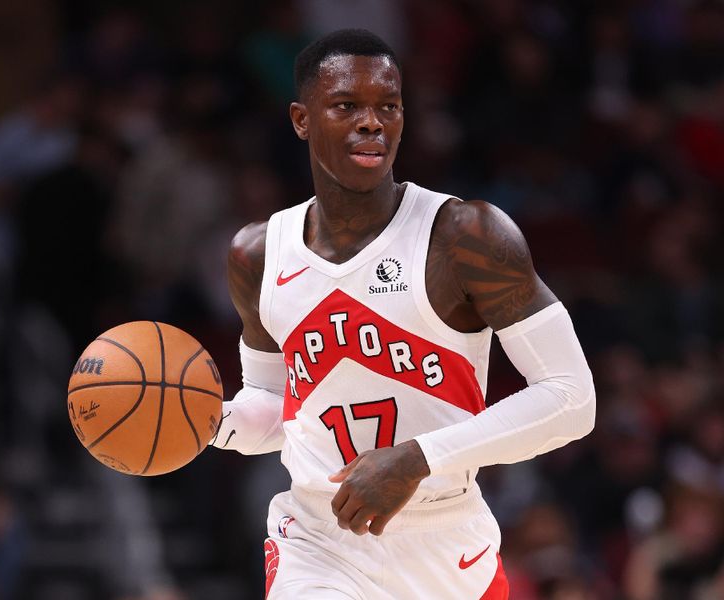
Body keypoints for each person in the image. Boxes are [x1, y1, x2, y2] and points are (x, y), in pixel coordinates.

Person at [211, 29, 595, 599]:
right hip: (318, 542)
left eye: (387, 107)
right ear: (301, 119)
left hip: (446, 538)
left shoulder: (466, 235)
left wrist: (416, 459)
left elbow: (573, 399)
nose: (372, 122)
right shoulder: (259, 253)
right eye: (346, 106)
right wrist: (209, 422)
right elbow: (275, 409)